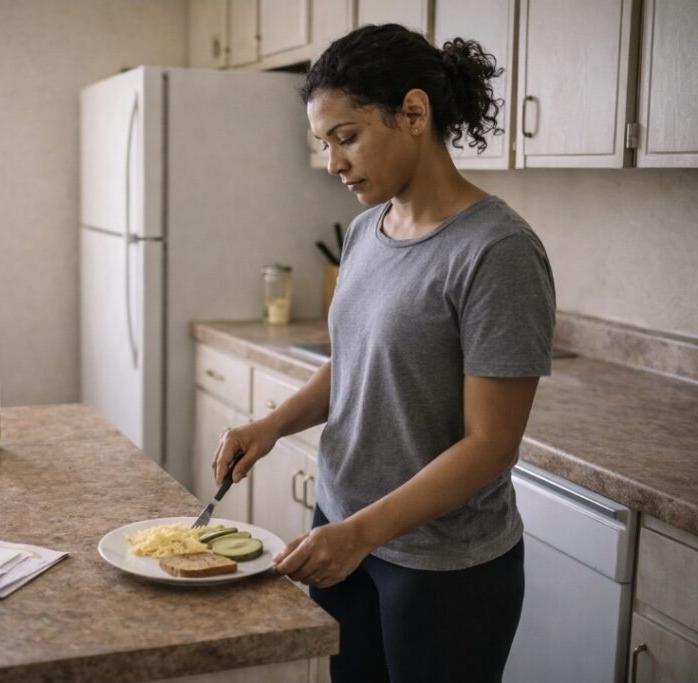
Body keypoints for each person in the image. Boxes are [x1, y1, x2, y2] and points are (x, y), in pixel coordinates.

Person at [211, 24, 556, 683]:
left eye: (346, 136)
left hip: (440, 568)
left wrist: (364, 532)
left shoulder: (497, 251)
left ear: (414, 113)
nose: (335, 162)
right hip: (341, 530)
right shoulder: (369, 228)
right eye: (325, 143)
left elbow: (490, 445)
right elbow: (357, 362)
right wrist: (270, 424)